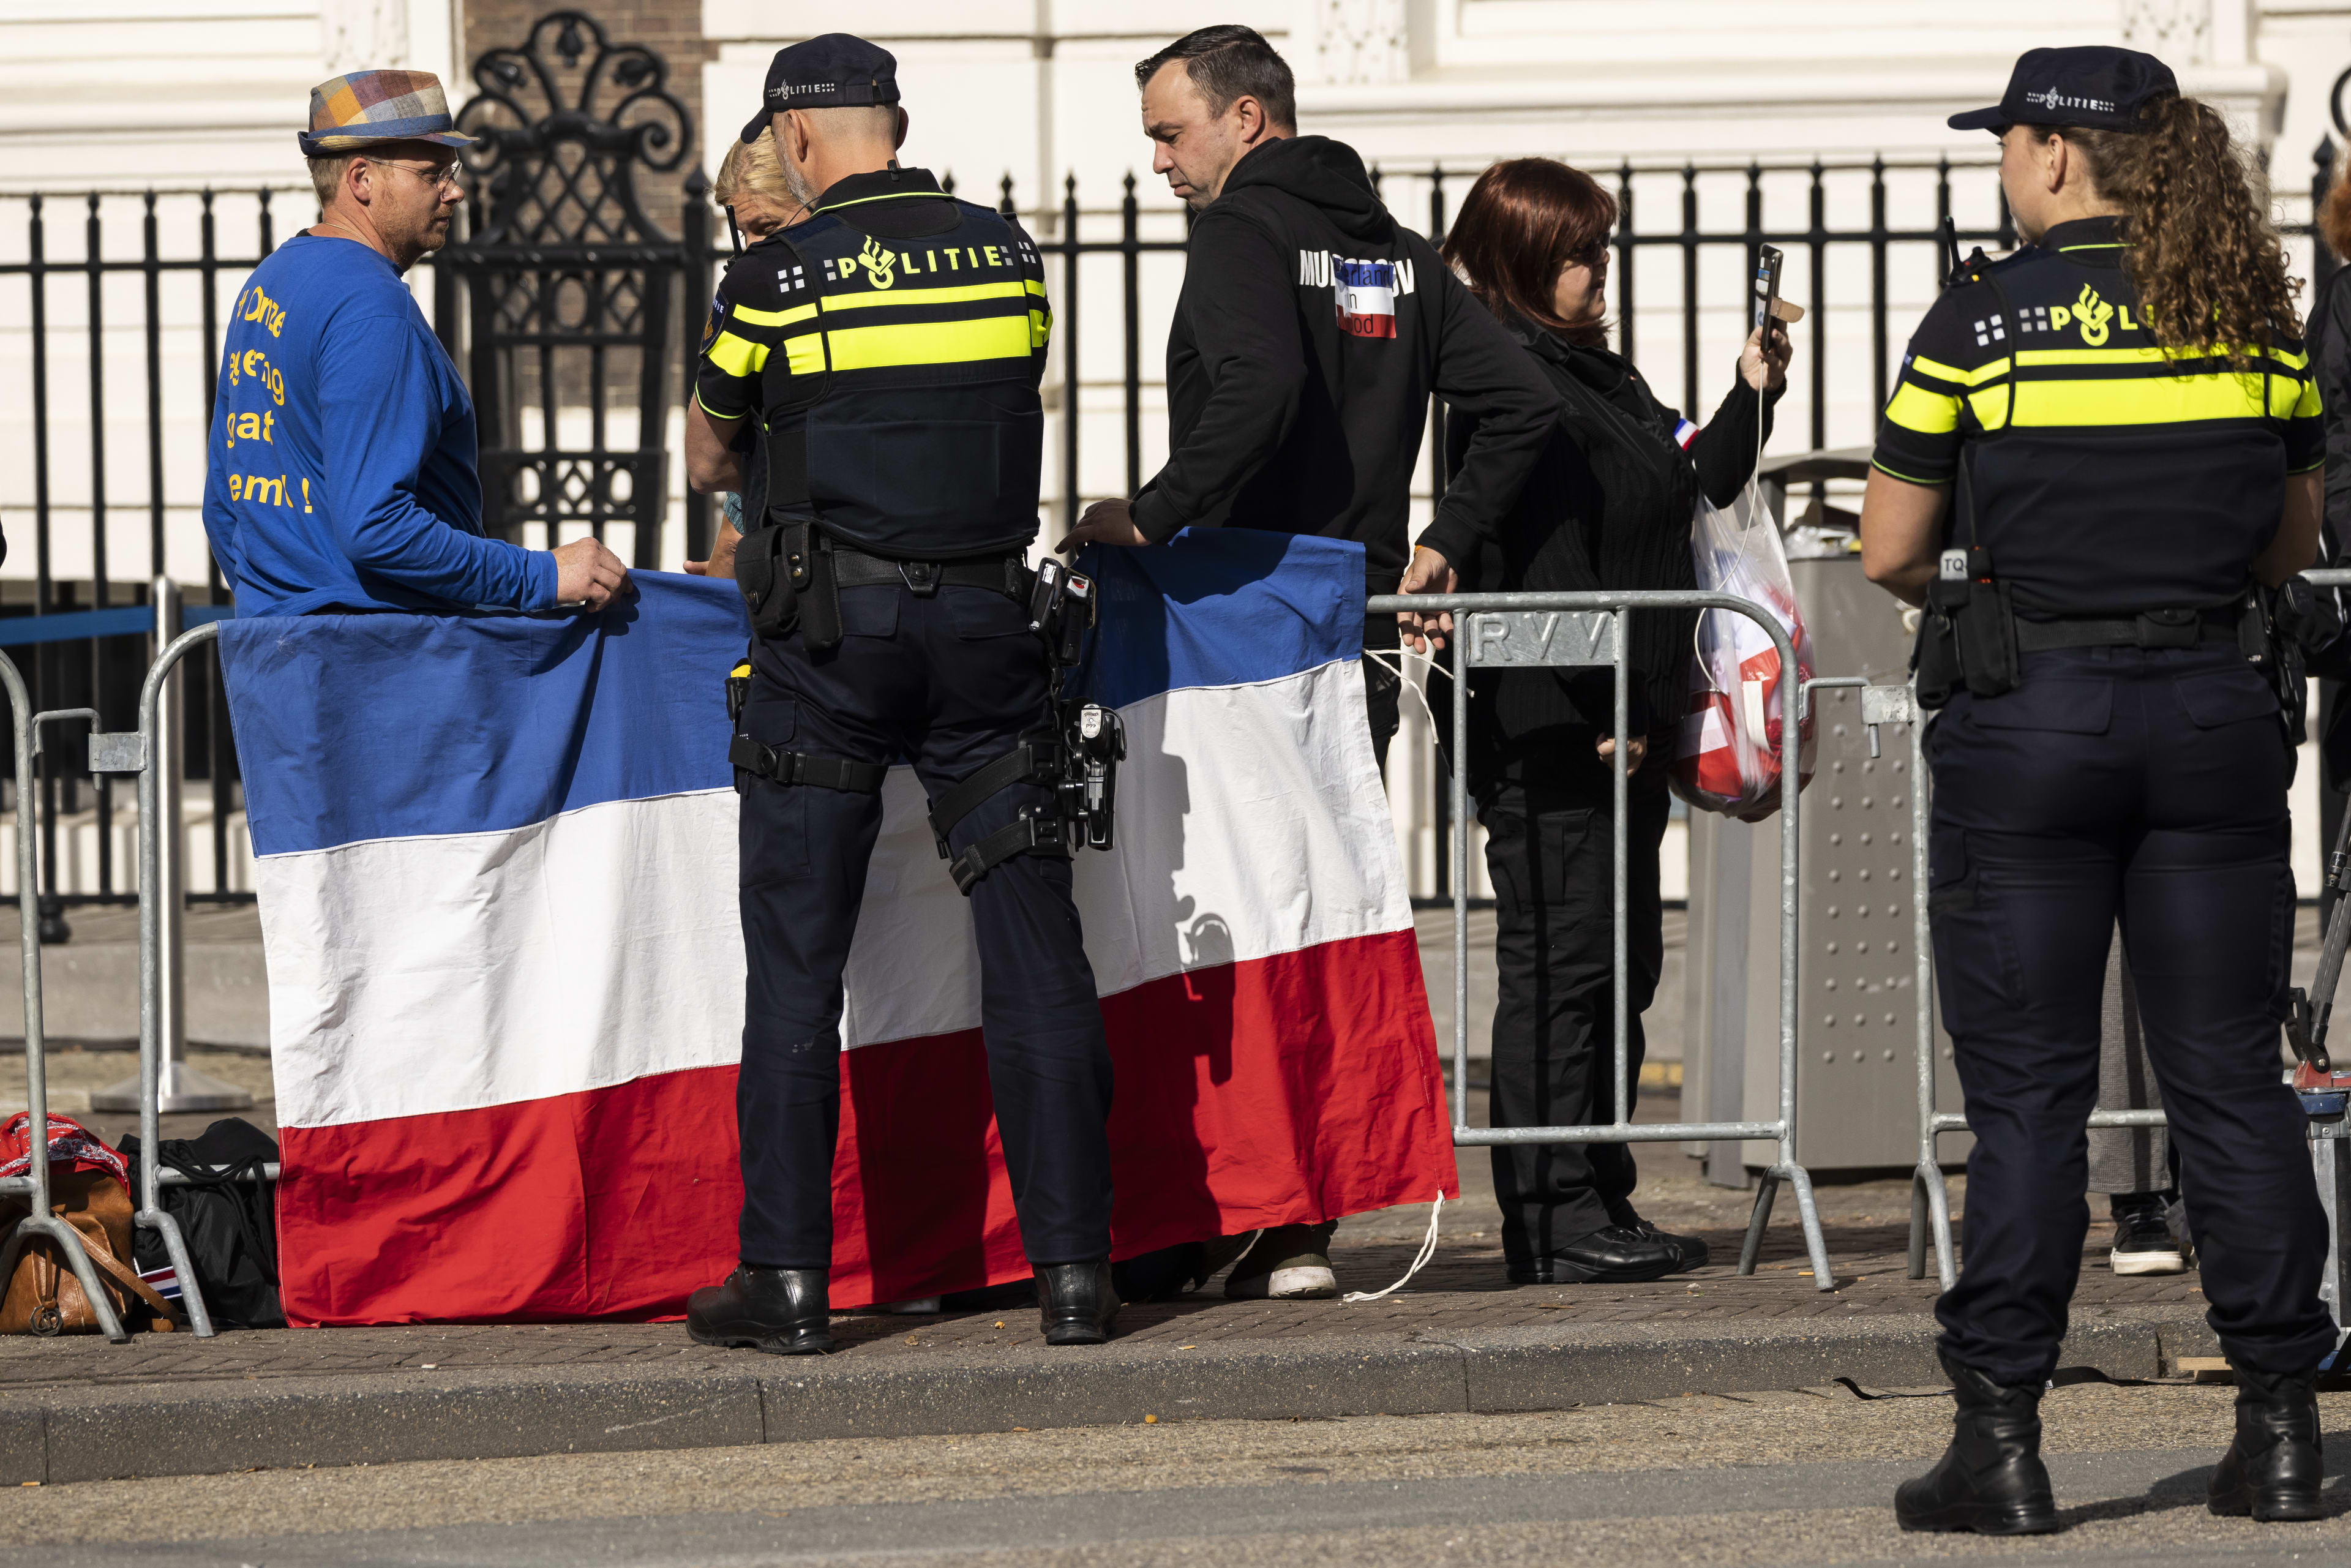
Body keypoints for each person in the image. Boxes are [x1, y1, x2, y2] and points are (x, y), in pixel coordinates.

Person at [1861, 45, 2334, 1533]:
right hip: (2210, 717)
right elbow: (2287, 538)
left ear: (2056, 156)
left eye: (2004, 140)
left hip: (2030, 724)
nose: (1998, 164)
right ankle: (2276, 1431)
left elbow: (1885, 547)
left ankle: (1998, 1439)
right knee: (2226, 1080)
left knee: (2026, 1099)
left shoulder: (1979, 321)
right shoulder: (2247, 316)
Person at [1057, 22, 1556, 1302]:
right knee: (1315, 908)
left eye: (1172, 133)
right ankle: (1302, 1224)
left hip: (1232, 627)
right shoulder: (1388, 244)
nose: (1161, 163)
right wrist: (1442, 536)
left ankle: (1242, 1211)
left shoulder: (1245, 233)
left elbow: (1260, 391)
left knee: (1215, 920)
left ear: (1247, 121)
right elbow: (1520, 405)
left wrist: (1153, 511)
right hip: (1351, 631)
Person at [681, 35, 1120, 1353]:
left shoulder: (772, 275)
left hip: (830, 642)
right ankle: (1075, 1274)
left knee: (798, 960)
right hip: (992, 632)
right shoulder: (1011, 254)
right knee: (1036, 948)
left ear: (797, 139)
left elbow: (716, 433)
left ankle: (790, 1281)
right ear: (895, 122)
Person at [1437, 159, 1787, 1285]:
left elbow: (1693, 483)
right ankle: (1550, 1214)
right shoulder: (1508, 385)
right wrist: (1612, 708)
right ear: (1525, 261)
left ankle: (1601, 1192)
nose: (1604, 269)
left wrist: (1754, 388)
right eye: (1585, 251)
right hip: (1558, 730)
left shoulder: (1598, 371)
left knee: (1620, 969)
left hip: (1620, 727)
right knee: (1565, 967)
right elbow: (1545, 575)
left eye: (1605, 247)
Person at [202, 71, 627, 617]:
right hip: (386, 663)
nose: (455, 190)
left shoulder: (269, 282)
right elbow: (375, 527)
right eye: (432, 174)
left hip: (280, 660)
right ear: (362, 180)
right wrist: (541, 575)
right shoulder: (372, 308)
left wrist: (280, 611)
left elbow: (224, 505)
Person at [686, 130, 802, 583]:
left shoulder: (763, 294)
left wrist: (721, 584)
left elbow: (706, 466)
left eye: (769, 228)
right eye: (744, 233)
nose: (753, 250)